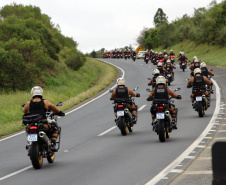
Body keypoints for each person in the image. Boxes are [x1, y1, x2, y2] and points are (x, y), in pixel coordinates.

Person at [23, 86, 65, 151]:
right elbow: (54, 108)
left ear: (32, 94)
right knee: (55, 128)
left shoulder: (29, 102)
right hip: (43, 125)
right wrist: (60, 112)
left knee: (27, 130)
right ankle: (53, 143)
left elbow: (24, 111)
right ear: (41, 93)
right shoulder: (45, 102)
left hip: (31, 125)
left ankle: (30, 143)